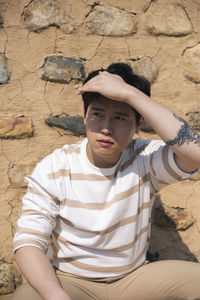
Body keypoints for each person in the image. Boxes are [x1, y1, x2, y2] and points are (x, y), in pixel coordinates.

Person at [12, 63, 200, 300]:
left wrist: (131, 94)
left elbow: (196, 152)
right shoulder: (55, 167)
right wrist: (55, 295)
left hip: (133, 279)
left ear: (138, 123)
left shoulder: (144, 158)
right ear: (85, 115)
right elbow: (28, 243)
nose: (106, 129)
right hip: (71, 281)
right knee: (24, 297)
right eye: (98, 115)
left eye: (120, 118)